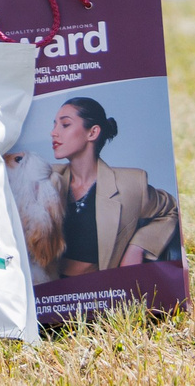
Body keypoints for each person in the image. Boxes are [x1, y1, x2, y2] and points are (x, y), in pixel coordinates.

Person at [49, 97, 181, 275]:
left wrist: (138, 246)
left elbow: (171, 210)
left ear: (93, 133)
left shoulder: (131, 183)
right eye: (54, 125)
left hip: (101, 293)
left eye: (65, 125)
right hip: (48, 293)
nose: (53, 133)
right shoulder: (44, 177)